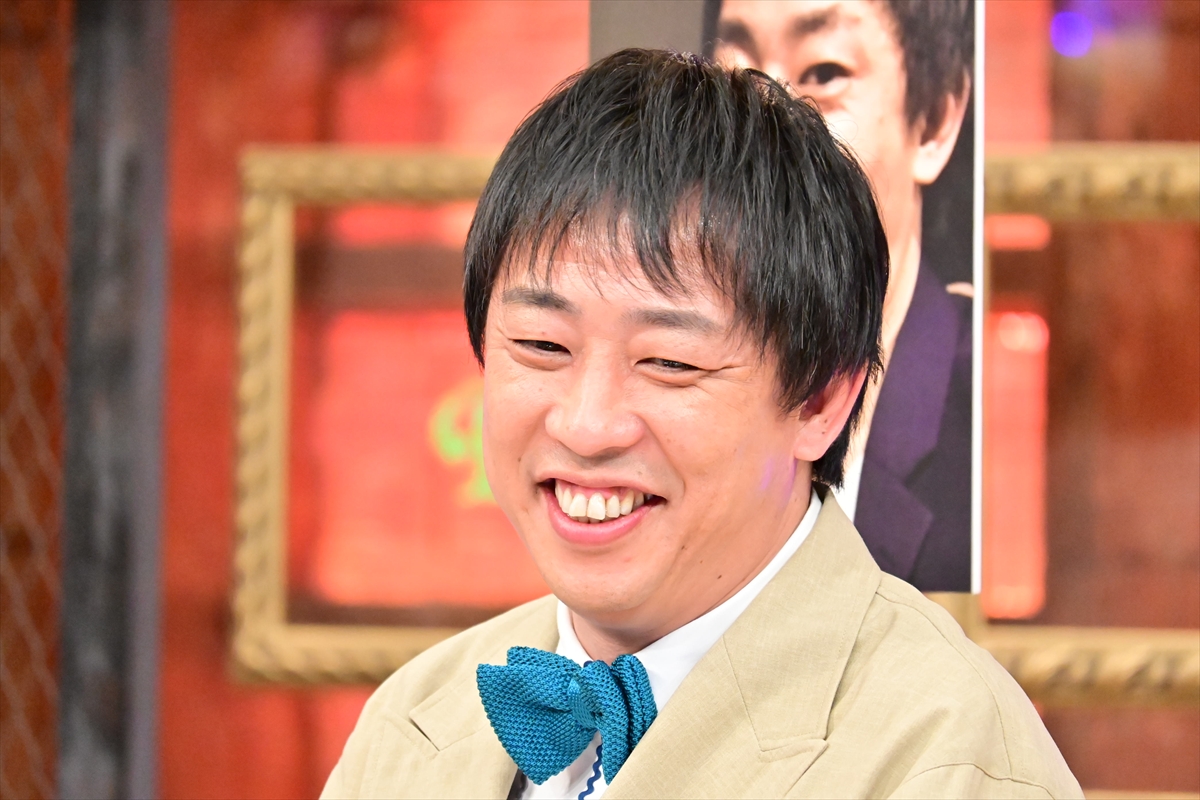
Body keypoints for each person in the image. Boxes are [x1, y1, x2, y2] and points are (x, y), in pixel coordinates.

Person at [322, 50, 1079, 799]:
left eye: (669, 361)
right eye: (542, 346)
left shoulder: (946, 760)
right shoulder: (412, 722)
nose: (587, 426)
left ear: (821, 401)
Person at [715, 0, 975, 591]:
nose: (763, 128)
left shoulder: (979, 421)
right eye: (735, 77)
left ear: (934, 120)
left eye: (824, 73)